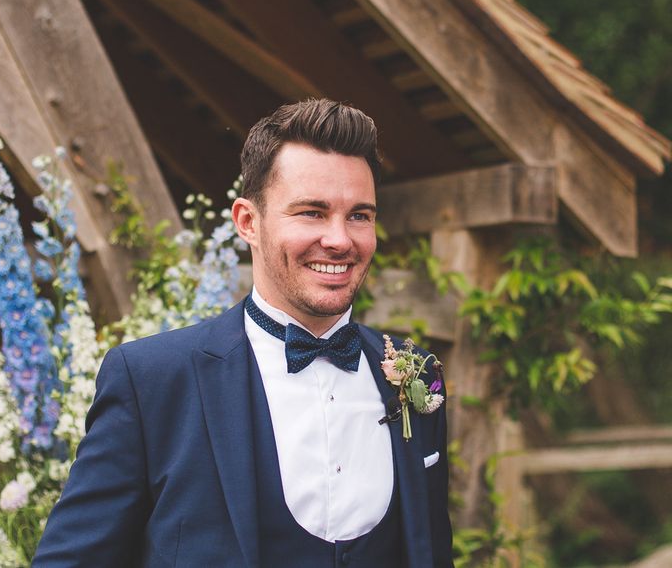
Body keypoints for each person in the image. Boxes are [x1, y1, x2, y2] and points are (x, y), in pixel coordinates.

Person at [33, 99, 453, 567]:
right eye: (312, 212)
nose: (339, 239)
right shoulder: (151, 380)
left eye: (359, 215)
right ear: (248, 222)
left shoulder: (418, 374)